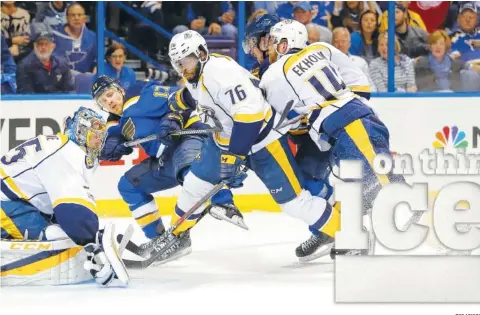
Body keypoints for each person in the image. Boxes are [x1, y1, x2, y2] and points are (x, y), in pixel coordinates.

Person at [165, 29, 341, 262]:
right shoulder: (197, 73)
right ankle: (176, 237)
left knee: (294, 203)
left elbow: (250, 116)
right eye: (178, 63)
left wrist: (234, 156)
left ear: (201, 53)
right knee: (194, 183)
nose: (182, 68)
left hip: (262, 141)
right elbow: (199, 95)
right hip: (225, 141)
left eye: (185, 61)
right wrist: (177, 103)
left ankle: (348, 234)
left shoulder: (220, 73)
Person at [260, 20, 405, 256]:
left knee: (379, 181)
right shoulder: (320, 49)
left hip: (345, 125)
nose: (271, 48)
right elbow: (360, 84)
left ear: (285, 44)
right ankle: (334, 231)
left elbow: (274, 120)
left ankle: (432, 235)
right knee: (355, 184)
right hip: (343, 123)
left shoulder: (273, 74)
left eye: (275, 43)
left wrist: (321, 110)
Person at [91, 75, 245, 264]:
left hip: (189, 139)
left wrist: (173, 119)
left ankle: (224, 202)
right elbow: (110, 142)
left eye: (110, 94)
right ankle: (164, 240)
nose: (110, 101)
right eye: (103, 101)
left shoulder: (143, 93)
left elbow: (179, 99)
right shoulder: (115, 122)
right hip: (165, 160)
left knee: (190, 168)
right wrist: (109, 148)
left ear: (120, 89)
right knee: (129, 185)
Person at [0, 107, 128, 286]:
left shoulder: (59, 145)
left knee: (62, 229)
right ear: (80, 132)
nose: (99, 142)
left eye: (101, 137)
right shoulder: (65, 153)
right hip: (6, 205)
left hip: (14, 203)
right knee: (57, 235)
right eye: (94, 136)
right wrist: (92, 244)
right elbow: (73, 212)